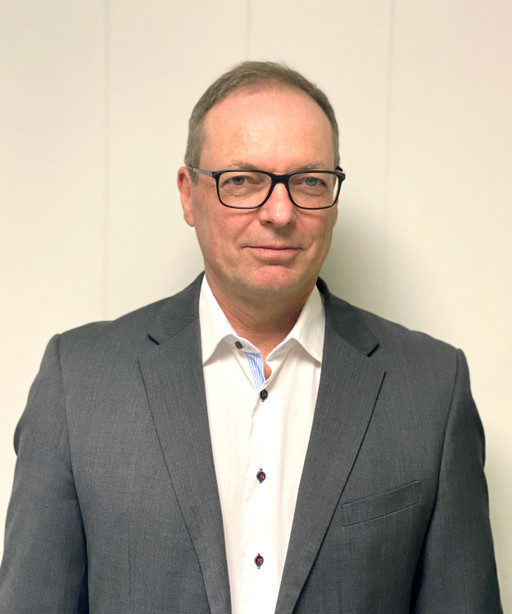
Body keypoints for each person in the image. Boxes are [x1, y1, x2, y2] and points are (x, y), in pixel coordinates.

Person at [0, 61, 502, 613]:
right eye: (242, 180)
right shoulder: (78, 383)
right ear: (188, 194)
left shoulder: (432, 389)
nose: (280, 213)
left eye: (309, 181)